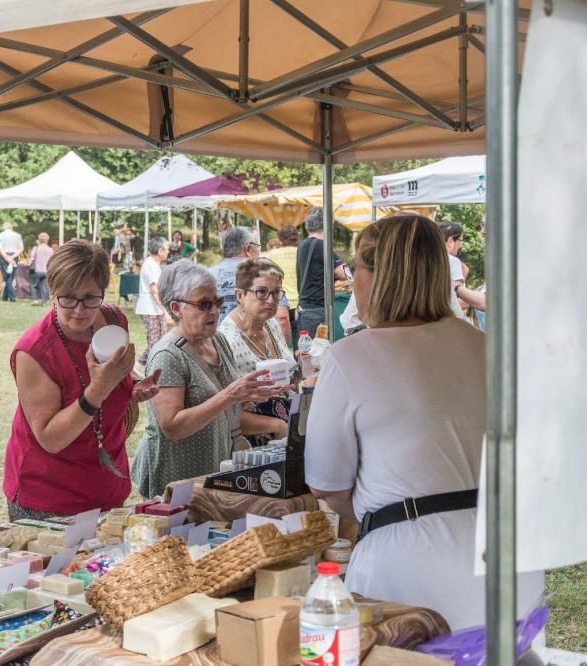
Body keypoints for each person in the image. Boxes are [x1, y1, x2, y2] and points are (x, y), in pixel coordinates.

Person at [304, 214, 542, 629]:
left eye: (355, 269)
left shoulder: (351, 357)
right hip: (507, 554)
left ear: (379, 275)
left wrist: (378, 504)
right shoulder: (486, 346)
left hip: (409, 568)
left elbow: (327, 484)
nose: (351, 280)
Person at [4, 240, 161, 518]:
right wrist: (97, 390)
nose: (79, 309)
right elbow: (50, 438)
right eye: (67, 297)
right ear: (52, 292)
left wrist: (131, 389)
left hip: (107, 485)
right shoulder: (34, 351)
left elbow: (114, 383)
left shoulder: (113, 321)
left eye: (90, 297)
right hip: (49, 498)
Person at [131, 261, 282, 499]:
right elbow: (172, 427)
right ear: (176, 308)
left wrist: (251, 395)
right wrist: (230, 395)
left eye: (217, 302)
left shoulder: (218, 340)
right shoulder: (167, 355)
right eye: (204, 304)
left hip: (215, 469)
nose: (214, 311)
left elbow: (229, 405)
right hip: (179, 477)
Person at [218, 257, 294, 446]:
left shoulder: (271, 324)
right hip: (251, 446)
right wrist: (277, 426)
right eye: (261, 292)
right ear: (240, 295)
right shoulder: (226, 340)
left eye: (276, 293)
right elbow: (223, 411)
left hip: (284, 434)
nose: (271, 300)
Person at [295, 207, 349, 339]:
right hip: (316, 309)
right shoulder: (321, 245)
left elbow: (316, 273)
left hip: (305, 307)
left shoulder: (303, 244)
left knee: (308, 352)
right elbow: (343, 273)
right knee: (319, 352)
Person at [136, 236, 173, 370]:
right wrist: (165, 310)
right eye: (166, 249)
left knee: (161, 340)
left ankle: (148, 366)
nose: (168, 252)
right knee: (154, 342)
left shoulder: (154, 264)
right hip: (149, 308)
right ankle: (141, 365)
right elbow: (154, 291)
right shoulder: (150, 265)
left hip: (155, 308)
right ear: (160, 250)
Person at [212, 226, 260, 323]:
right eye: (257, 246)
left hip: (214, 337)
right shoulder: (262, 275)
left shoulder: (206, 275)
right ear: (248, 249)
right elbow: (282, 317)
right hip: (250, 337)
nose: (259, 251)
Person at [266, 224, 300, 346]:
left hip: (280, 302)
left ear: (280, 239)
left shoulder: (271, 255)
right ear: (296, 238)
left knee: (282, 341)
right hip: (300, 303)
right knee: (302, 343)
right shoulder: (301, 251)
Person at [0, 221, 24, 302]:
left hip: (4, 256)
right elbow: (21, 248)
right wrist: (13, 257)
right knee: (11, 277)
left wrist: (6, 257)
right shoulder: (18, 235)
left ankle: (12, 297)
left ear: (3, 227)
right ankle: (5, 297)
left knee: (7, 277)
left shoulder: (0, 235)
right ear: (11, 227)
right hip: (14, 257)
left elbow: (0, 248)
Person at [28, 232, 53, 305]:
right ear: (47, 240)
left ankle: (35, 300)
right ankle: (44, 301)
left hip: (37, 270)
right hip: (46, 271)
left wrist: (29, 265)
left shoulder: (36, 248)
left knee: (34, 285)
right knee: (45, 286)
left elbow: (32, 258)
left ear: (39, 240)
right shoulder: (50, 249)